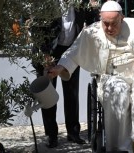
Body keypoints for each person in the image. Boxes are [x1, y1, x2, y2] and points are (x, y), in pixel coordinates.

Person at [47, 1, 134, 153]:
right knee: (117, 90)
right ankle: (120, 147)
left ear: (122, 18)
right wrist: (59, 68)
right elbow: (73, 53)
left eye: (114, 24)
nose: (110, 28)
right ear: (100, 19)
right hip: (113, 76)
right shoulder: (92, 32)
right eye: (106, 24)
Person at [30, 0, 99, 148]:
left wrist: (95, 8)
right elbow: (36, 28)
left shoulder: (81, 3)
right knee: (48, 94)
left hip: (71, 50)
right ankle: (51, 135)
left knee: (72, 93)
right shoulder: (47, 3)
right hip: (49, 50)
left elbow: (93, 19)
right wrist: (45, 54)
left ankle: (73, 132)